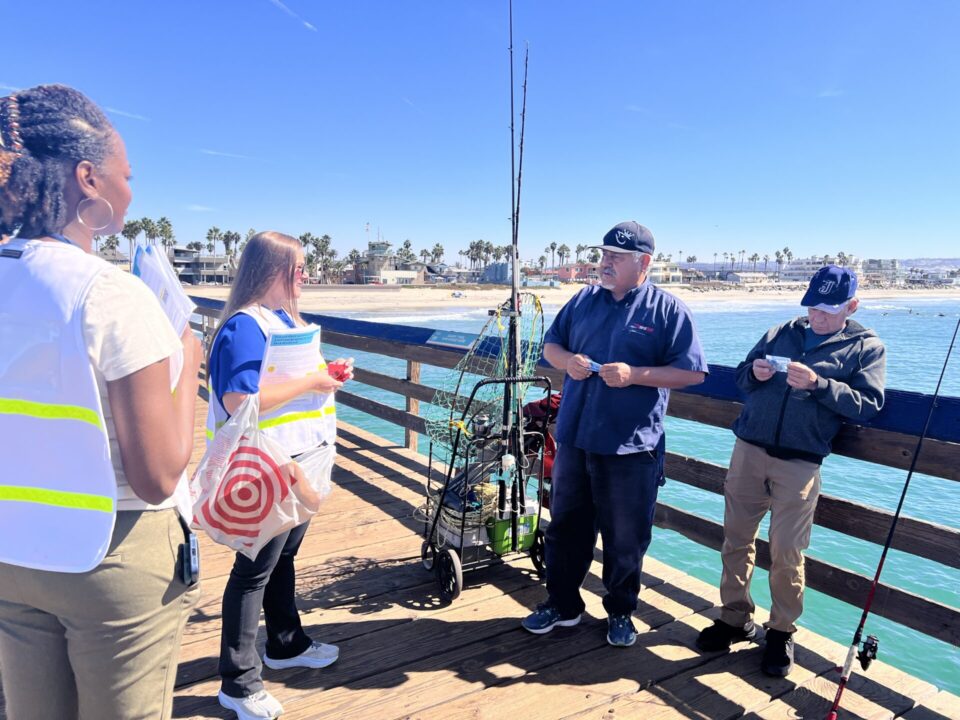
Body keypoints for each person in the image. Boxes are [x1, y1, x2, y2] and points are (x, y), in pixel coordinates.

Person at [0, 85, 202, 719]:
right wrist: (187, 358)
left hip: (12, 548)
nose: (131, 190)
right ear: (88, 178)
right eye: (126, 175)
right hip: (111, 557)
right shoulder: (108, 293)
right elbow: (159, 473)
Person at [521, 221, 708, 647]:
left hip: (631, 447)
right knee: (565, 526)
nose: (604, 263)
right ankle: (562, 604)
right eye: (603, 254)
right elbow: (551, 346)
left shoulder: (668, 310)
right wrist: (566, 361)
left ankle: (621, 611)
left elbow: (693, 372)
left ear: (643, 263)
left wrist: (635, 375)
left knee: (626, 537)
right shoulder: (583, 299)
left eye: (616, 257)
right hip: (574, 438)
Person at [695, 265, 885, 676]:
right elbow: (742, 379)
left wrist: (819, 384)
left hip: (800, 462)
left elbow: (869, 405)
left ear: (852, 306)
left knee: (786, 550)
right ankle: (734, 617)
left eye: (829, 309)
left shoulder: (865, 347)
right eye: (813, 306)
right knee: (736, 538)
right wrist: (756, 373)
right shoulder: (781, 332)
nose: (818, 316)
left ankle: (781, 631)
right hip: (749, 449)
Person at [207, 231, 351, 720]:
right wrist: (311, 380)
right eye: (300, 267)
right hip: (264, 467)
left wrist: (326, 374)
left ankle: (285, 643)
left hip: (300, 460)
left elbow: (284, 386)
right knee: (252, 572)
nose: (306, 275)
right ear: (274, 270)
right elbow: (238, 403)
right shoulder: (244, 327)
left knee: (282, 558)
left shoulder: (285, 322)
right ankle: (239, 682)